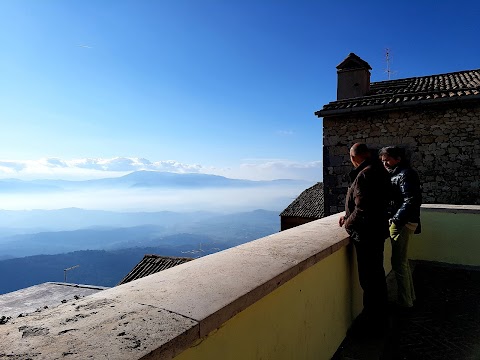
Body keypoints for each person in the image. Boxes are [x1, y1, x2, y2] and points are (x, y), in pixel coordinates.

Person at [339, 143, 392, 325]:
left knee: (369, 281)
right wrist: (347, 215)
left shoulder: (365, 174)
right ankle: (380, 315)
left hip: (367, 235)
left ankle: (373, 322)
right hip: (377, 231)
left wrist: (348, 222)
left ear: (353, 158)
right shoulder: (381, 171)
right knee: (377, 276)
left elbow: (363, 207)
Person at [379, 146, 422, 309]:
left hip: (402, 223)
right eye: (383, 161)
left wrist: (396, 220)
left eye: (387, 160)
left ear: (398, 158)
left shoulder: (405, 174)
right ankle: (410, 297)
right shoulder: (401, 173)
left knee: (398, 263)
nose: (385, 163)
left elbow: (410, 200)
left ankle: (405, 302)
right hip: (404, 221)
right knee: (402, 262)